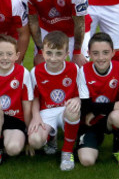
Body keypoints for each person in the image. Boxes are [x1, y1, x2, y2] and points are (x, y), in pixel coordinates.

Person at [77, 32, 119, 169]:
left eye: (105, 52)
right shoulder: (83, 71)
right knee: (87, 161)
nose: (101, 58)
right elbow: (85, 106)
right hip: (89, 122)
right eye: (95, 53)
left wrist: (96, 110)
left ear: (113, 52)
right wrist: (115, 105)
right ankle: (94, 139)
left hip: (107, 118)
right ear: (89, 53)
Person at [28, 31, 81, 171]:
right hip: (46, 111)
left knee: (73, 110)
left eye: (58, 53)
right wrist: (36, 116)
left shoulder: (74, 69)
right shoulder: (35, 72)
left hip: (65, 110)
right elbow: (34, 97)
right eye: (49, 53)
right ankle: (51, 137)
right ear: (42, 53)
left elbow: (81, 92)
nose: (53, 58)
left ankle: (67, 152)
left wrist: (77, 99)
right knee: (35, 141)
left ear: (66, 54)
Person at [0, 35, 34, 166]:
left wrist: (29, 140)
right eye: (0, 54)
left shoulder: (23, 73)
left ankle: (4, 143)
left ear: (17, 55)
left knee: (13, 149)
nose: (5, 58)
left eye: (9, 54)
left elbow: (27, 108)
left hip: (15, 121)